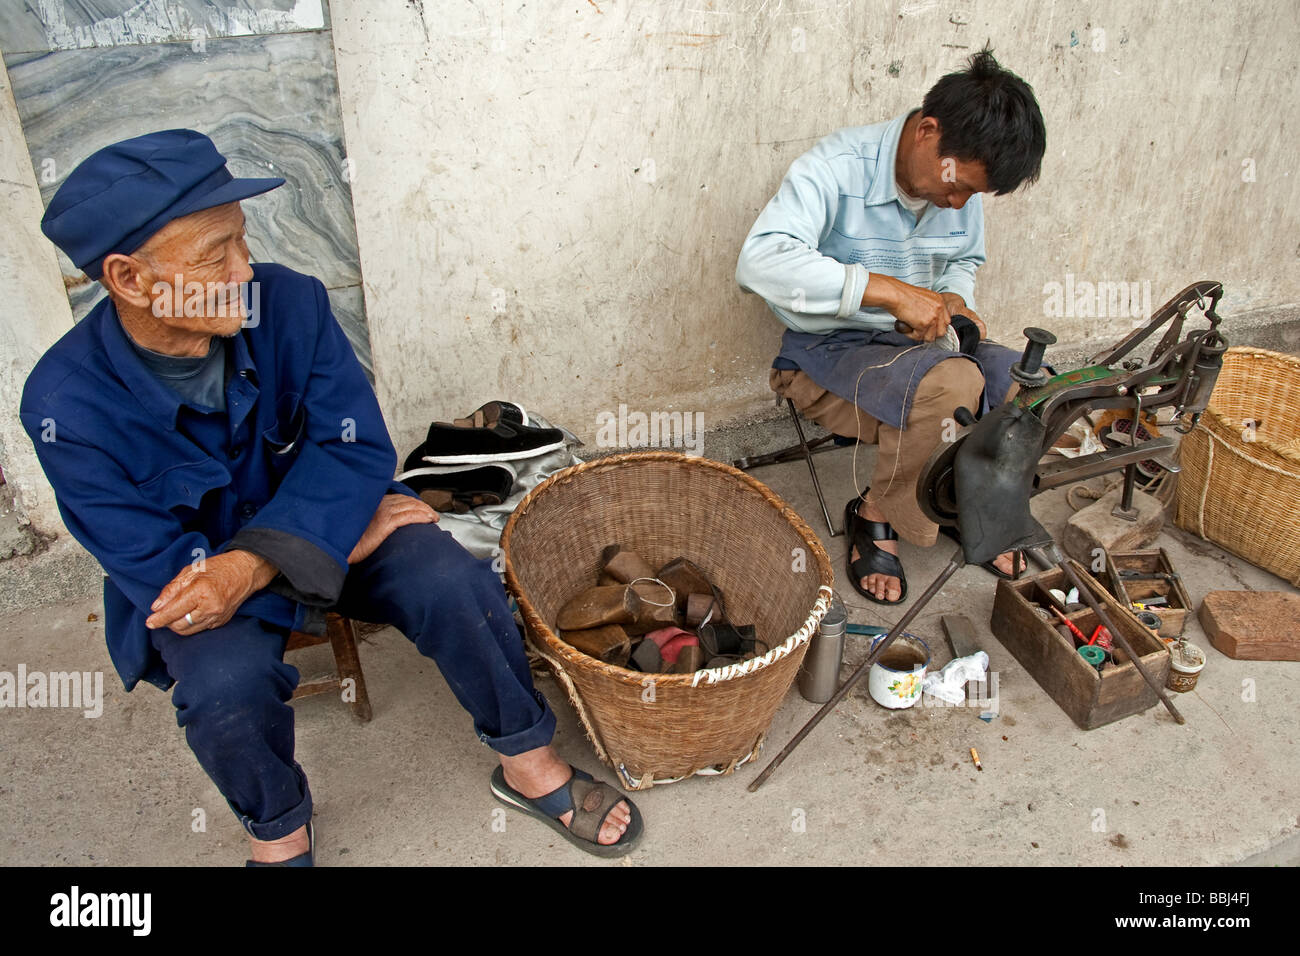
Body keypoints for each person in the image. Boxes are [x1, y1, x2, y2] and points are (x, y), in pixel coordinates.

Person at [21, 129, 641, 863]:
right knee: (222, 687)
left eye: (242, 242)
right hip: (246, 563)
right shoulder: (66, 404)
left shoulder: (289, 306)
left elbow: (352, 447)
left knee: (450, 578)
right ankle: (280, 832)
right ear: (128, 279)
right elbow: (168, 576)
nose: (245, 269)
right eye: (214, 254)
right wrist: (319, 542)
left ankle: (528, 761)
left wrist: (259, 560)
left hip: (317, 534)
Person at [735, 47, 1046, 605]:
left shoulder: (955, 191)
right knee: (953, 387)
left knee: (1026, 381)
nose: (958, 205)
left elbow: (961, 260)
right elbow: (760, 262)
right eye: (959, 188)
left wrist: (954, 297)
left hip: (920, 346)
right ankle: (876, 510)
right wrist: (892, 292)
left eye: (972, 195)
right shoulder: (835, 167)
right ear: (928, 132)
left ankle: (965, 500)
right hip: (822, 353)